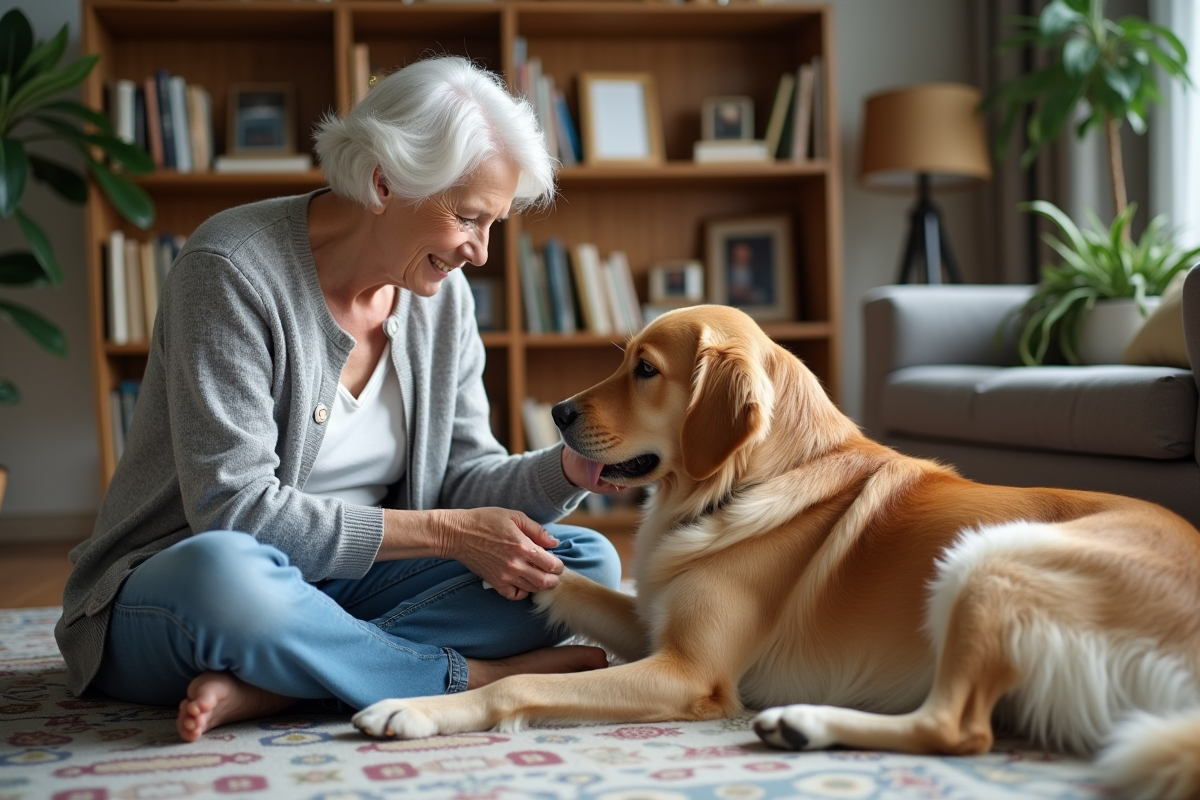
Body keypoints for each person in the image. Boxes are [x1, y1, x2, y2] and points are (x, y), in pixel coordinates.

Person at [54, 56, 624, 742]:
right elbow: (234, 514)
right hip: (186, 587)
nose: (480, 251)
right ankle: (464, 678)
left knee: (579, 563)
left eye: (493, 224)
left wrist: (567, 471)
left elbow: (462, 480)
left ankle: (276, 684)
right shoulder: (231, 270)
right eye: (470, 218)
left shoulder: (442, 304)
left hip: (345, 590)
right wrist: (450, 534)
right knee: (226, 572)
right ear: (385, 182)